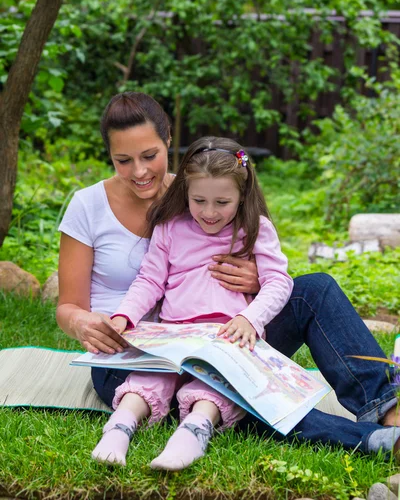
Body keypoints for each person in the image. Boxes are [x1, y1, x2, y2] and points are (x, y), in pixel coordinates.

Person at [56, 91, 400, 466]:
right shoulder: (93, 206)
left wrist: (255, 284)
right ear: (108, 154)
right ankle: (374, 442)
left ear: (169, 140)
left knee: (314, 290)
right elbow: (74, 305)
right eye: (123, 160)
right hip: (134, 351)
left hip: (225, 335)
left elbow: (272, 272)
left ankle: (386, 408)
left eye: (149, 156)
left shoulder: (205, 183)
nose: (139, 171)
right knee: (243, 394)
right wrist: (88, 323)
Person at [91, 136, 294, 469]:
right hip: (173, 331)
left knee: (214, 383)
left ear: (242, 195)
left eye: (222, 202)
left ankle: (192, 434)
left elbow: (278, 281)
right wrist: (125, 315)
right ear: (184, 192)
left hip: (228, 334)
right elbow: (150, 280)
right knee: (148, 378)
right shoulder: (171, 227)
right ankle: (119, 428)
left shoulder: (255, 228)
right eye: (199, 200)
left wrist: (250, 318)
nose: (209, 212)